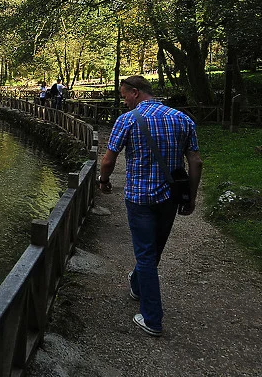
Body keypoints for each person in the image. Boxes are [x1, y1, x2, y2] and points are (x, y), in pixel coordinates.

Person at [98, 75, 202, 337]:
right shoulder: (182, 119)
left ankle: (152, 318)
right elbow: (196, 162)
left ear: (135, 92)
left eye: (124, 96)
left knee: (145, 255)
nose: (123, 102)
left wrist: (104, 181)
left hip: (140, 198)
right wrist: (191, 196)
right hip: (169, 197)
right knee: (153, 250)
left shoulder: (128, 120)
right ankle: (137, 286)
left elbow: (109, 160)